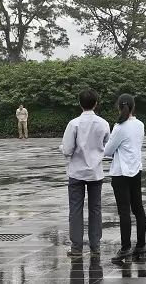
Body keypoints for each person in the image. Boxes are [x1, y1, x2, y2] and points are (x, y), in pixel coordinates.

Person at [60, 89, 110, 258]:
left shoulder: (73, 124)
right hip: (95, 172)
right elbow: (106, 145)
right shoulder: (103, 123)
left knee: (75, 209)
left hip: (76, 172)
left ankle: (76, 248)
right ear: (96, 103)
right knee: (95, 209)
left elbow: (67, 150)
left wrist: (62, 149)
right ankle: (95, 247)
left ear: (79, 103)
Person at [104, 94, 146, 264]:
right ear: (133, 106)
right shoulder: (140, 124)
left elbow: (108, 150)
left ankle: (125, 248)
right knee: (138, 208)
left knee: (124, 211)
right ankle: (141, 245)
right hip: (136, 170)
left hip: (121, 173)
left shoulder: (119, 127)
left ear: (119, 107)